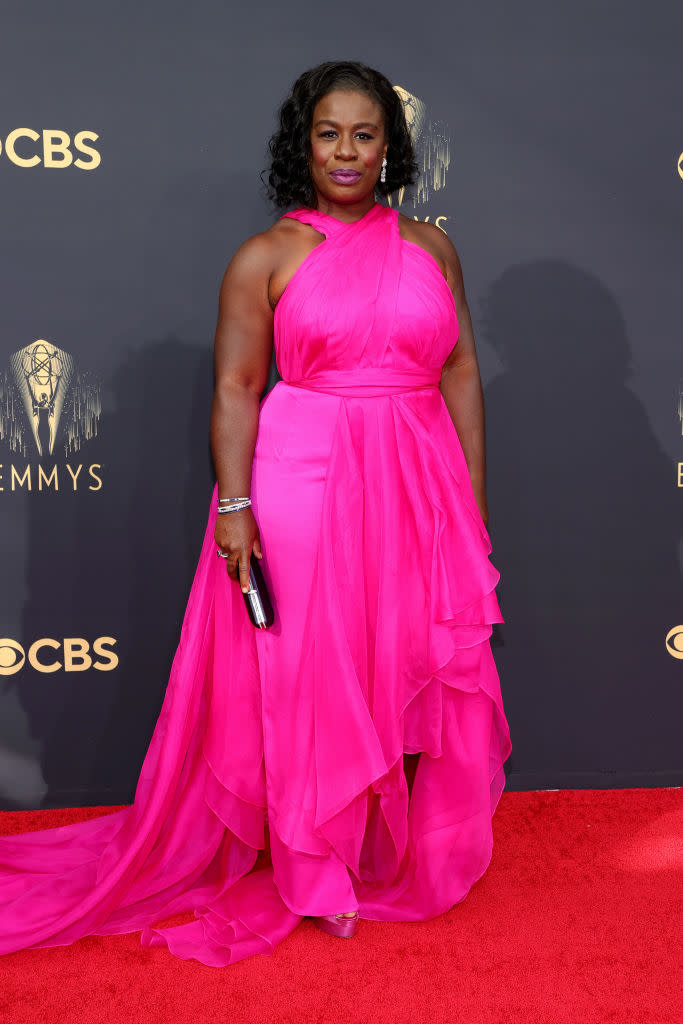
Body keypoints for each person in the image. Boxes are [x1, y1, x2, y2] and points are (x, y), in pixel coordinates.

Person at [0, 60, 512, 967]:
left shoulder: (432, 247)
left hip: (413, 474)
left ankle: (377, 849)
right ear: (302, 145)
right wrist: (233, 505)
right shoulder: (267, 255)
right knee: (312, 672)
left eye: (364, 133)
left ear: (390, 145)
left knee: (389, 656)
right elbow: (238, 388)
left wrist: (465, 500)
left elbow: (460, 372)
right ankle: (316, 873)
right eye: (328, 134)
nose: (346, 151)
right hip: (304, 476)